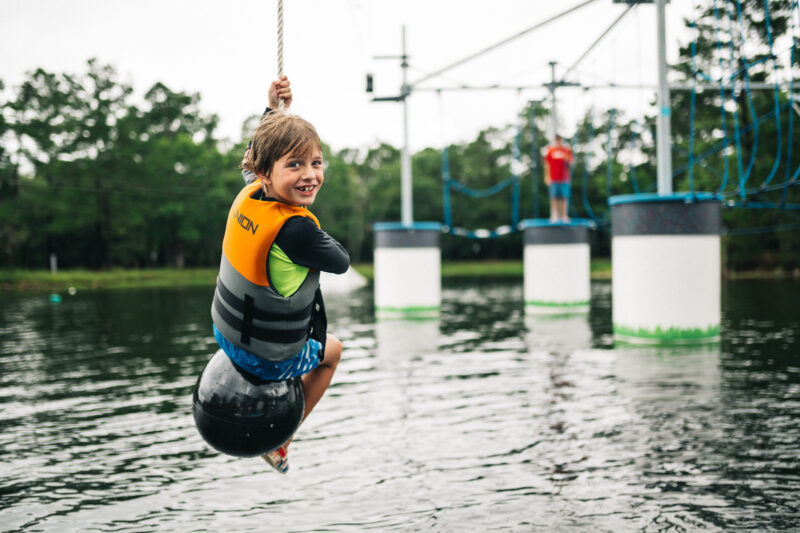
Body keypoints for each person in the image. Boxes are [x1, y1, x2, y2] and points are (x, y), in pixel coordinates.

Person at [211, 76, 349, 474]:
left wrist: (271, 111)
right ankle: (282, 439)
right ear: (267, 172)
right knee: (333, 352)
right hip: (268, 359)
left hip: (224, 335)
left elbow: (255, 158)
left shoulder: (253, 192)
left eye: (316, 163)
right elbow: (340, 260)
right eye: (296, 165)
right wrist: (312, 228)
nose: (310, 175)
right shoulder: (296, 231)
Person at [543, 134, 574, 223]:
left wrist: (566, 158)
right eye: (556, 140)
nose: (558, 142)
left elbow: (570, 164)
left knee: (564, 197)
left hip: (564, 179)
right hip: (553, 178)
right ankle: (554, 216)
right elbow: (547, 165)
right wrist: (547, 176)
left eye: (559, 140)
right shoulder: (550, 151)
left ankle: (564, 216)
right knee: (554, 197)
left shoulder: (566, 151)